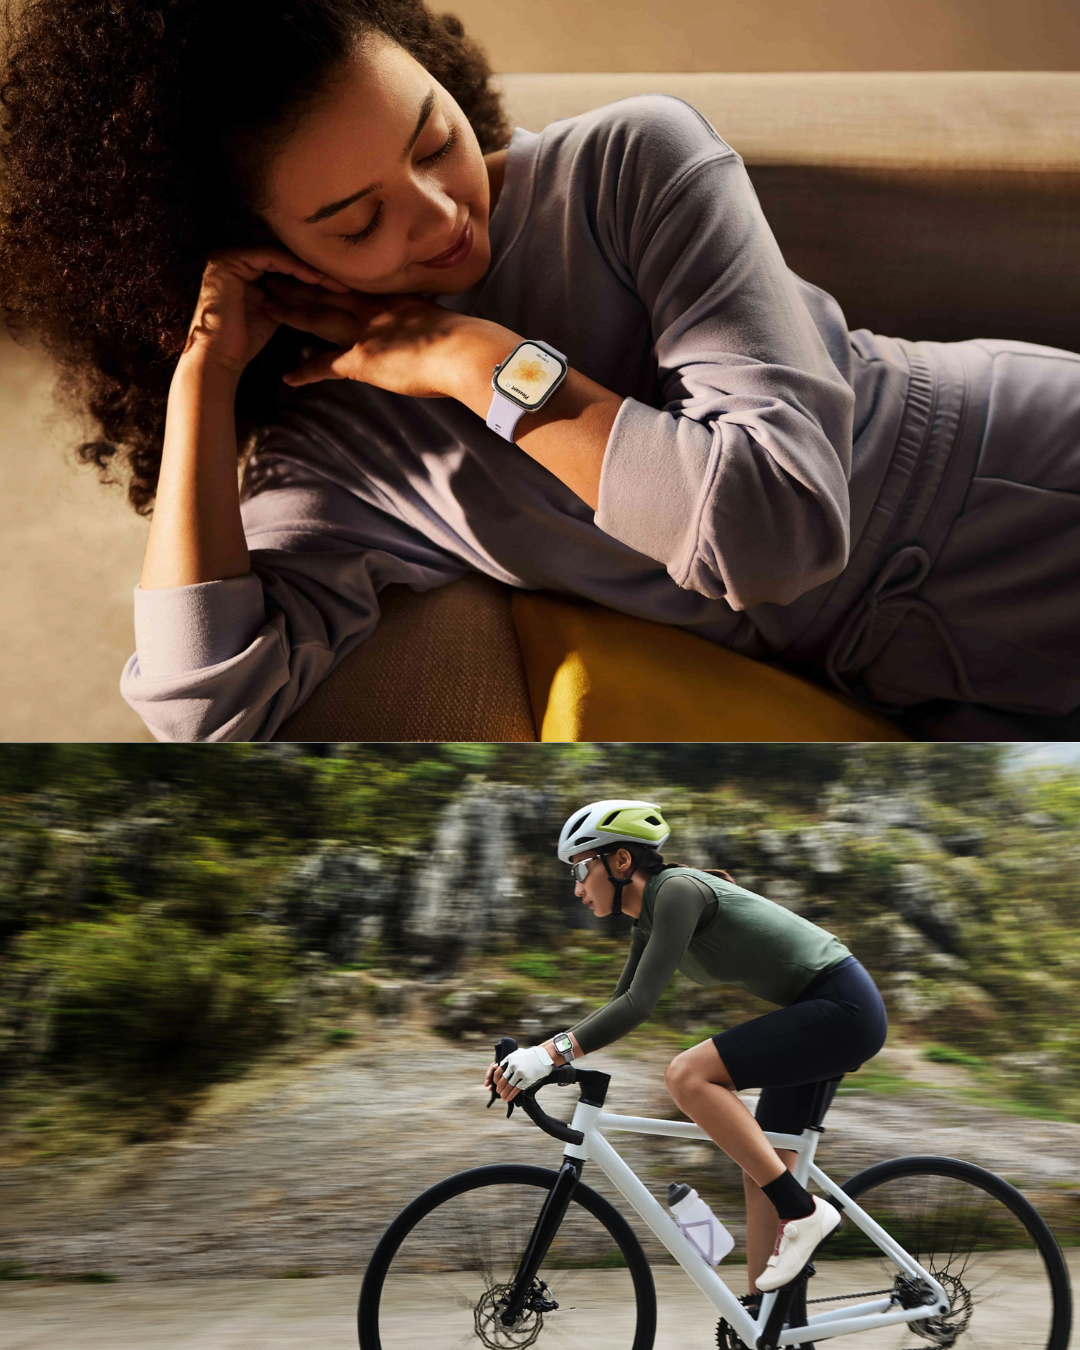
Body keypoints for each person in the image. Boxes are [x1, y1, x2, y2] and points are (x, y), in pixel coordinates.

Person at [1, 0, 1079, 741]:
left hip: (1021, 484)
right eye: (358, 221)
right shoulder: (336, 449)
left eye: (432, 140)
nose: (439, 216)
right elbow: (205, 712)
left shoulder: (629, 167)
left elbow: (778, 529)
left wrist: (476, 361)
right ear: (257, 253)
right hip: (939, 693)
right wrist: (202, 377)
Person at [487, 799, 889, 1299]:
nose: (577, 887)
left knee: (688, 1075)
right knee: (761, 1164)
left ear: (620, 861)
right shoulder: (648, 919)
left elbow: (639, 1005)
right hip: (821, 1013)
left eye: (580, 869)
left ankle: (804, 1212)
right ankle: (763, 1320)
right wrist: (541, 1059)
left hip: (844, 1008)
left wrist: (547, 1055)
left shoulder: (677, 890)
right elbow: (618, 1004)